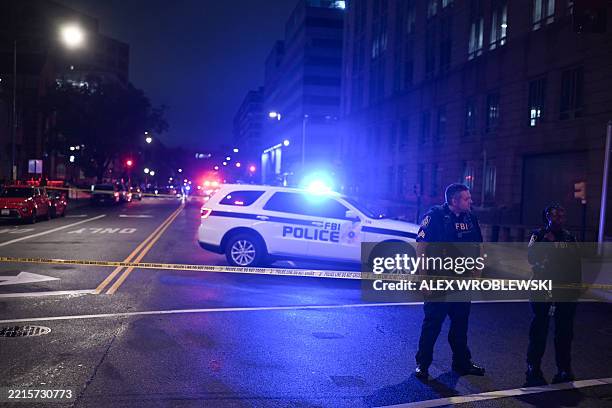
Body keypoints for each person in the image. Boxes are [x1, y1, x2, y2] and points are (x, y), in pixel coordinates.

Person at [414, 183, 485, 380]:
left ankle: (462, 363)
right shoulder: (435, 216)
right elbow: (422, 247)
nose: (470, 201)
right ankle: (423, 364)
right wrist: (424, 279)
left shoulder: (470, 217)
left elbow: (479, 246)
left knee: (460, 325)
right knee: (432, 324)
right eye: (466, 198)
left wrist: (477, 273)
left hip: (462, 281)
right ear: (454, 200)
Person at [524, 204, 580, 386]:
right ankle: (533, 368)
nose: (559, 220)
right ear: (547, 217)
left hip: (564, 290)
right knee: (539, 330)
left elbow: (576, 264)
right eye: (555, 216)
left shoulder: (569, 237)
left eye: (562, 216)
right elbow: (532, 257)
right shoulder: (538, 236)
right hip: (542, 288)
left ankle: (564, 368)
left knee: (564, 332)